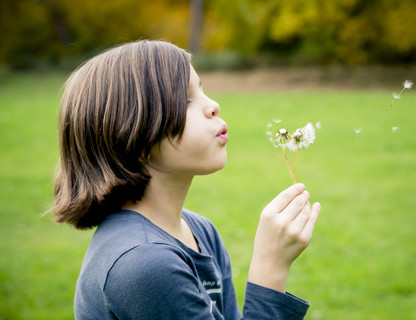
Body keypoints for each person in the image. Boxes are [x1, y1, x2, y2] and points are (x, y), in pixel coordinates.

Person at [52, 40, 321, 320]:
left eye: (203, 90)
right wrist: (271, 266)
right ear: (138, 138)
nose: (214, 105)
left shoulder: (200, 232)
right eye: (186, 99)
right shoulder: (144, 263)